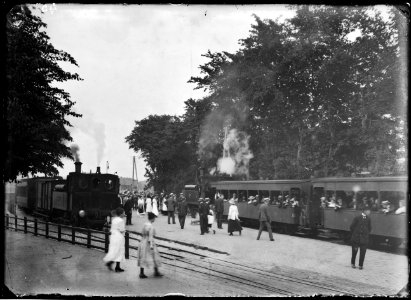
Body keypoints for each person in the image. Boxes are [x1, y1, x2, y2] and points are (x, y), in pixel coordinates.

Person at [137, 212, 163, 278]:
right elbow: (150, 237)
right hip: (149, 243)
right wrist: (151, 246)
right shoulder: (151, 226)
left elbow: (142, 233)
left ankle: (141, 272)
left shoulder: (145, 224)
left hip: (143, 241)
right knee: (155, 256)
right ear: (153, 218)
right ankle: (156, 271)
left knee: (143, 256)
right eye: (154, 218)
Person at [103, 207, 126, 272]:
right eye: (124, 212)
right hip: (119, 237)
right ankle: (114, 265)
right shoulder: (121, 220)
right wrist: (124, 231)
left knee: (115, 250)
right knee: (119, 251)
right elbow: (122, 230)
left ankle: (115, 265)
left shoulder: (114, 219)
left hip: (113, 236)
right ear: (121, 214)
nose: (124, 214)